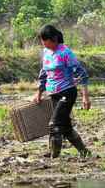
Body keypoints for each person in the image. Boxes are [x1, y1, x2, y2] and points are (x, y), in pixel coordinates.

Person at [33, 25, 91, 158]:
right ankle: (84, 152)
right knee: (65, 127)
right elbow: (43, 74)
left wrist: (85, 97)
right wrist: (39, 93)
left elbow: (82, 74)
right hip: (53, 94)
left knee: (54, 124)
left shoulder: (65, 53)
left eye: (45, 41)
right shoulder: (46, 52)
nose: (43, 44)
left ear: (53, 39)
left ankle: (54, 155)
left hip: (67, 92)